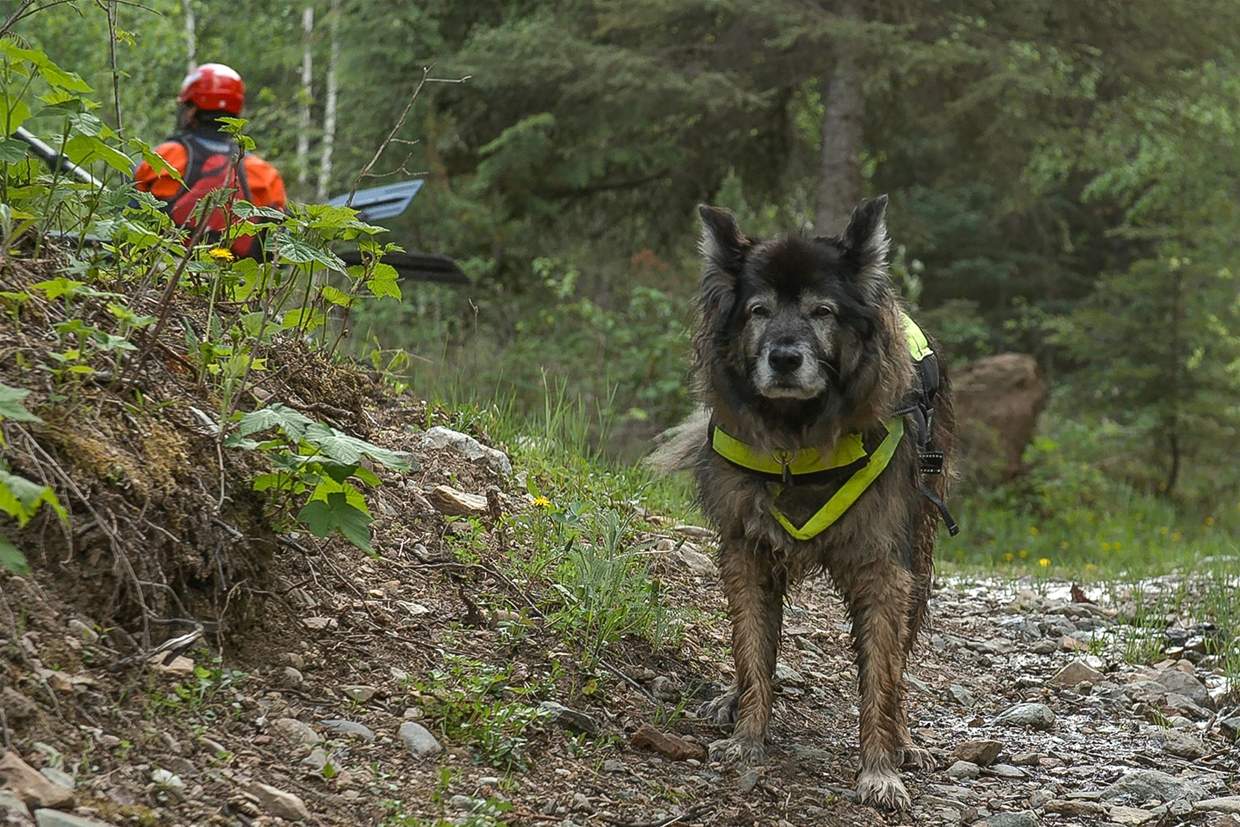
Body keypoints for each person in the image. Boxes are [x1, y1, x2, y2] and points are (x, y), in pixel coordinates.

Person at [133, 63, 286, 259]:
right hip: (238, 284)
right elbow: (279, 252)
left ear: (191, 110)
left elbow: (128, 222)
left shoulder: (164, 157)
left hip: (162, 275)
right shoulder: (265, 174)